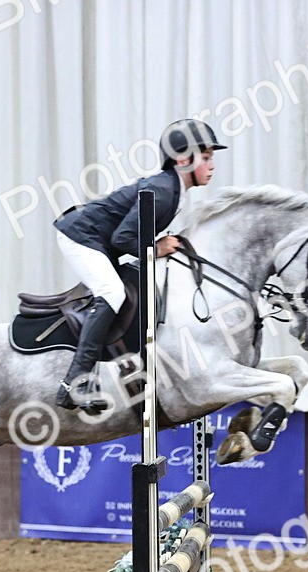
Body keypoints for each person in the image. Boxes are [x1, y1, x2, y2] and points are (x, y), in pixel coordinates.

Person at [52, 118, 226, 412]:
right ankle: (74, 384)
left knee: (118, 293)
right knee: (112, 293)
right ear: (183, 160)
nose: (212, 166)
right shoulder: (163, 191)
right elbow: (123, 238)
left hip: (99, 240)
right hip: (81, 235)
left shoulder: (173, 190)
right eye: (206, 158)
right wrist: (156, 248)